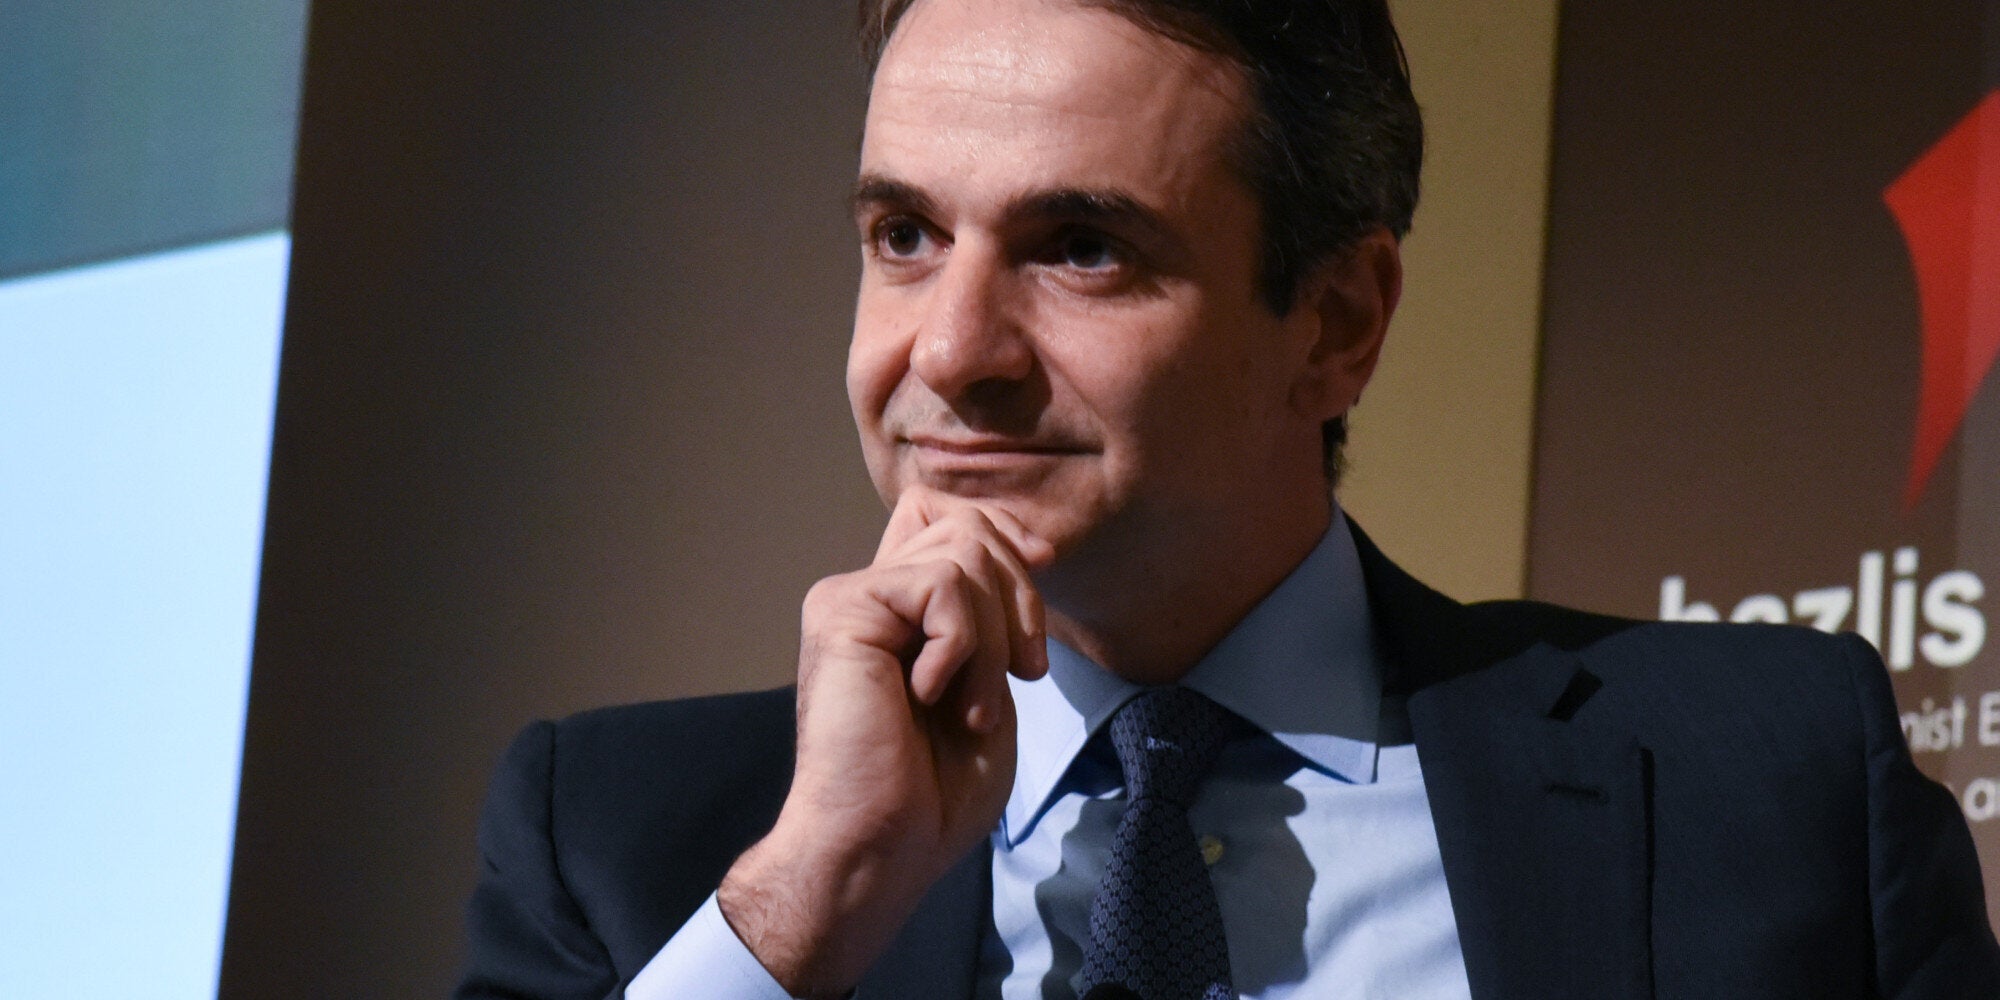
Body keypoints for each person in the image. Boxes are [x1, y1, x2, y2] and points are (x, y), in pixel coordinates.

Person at [455, 0, 2000, 997]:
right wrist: (806, 903)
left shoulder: (1769, 777)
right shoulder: (626, 841)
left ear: (1337, 323)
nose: (951, 351)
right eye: (906, 237)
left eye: (1080, 248)